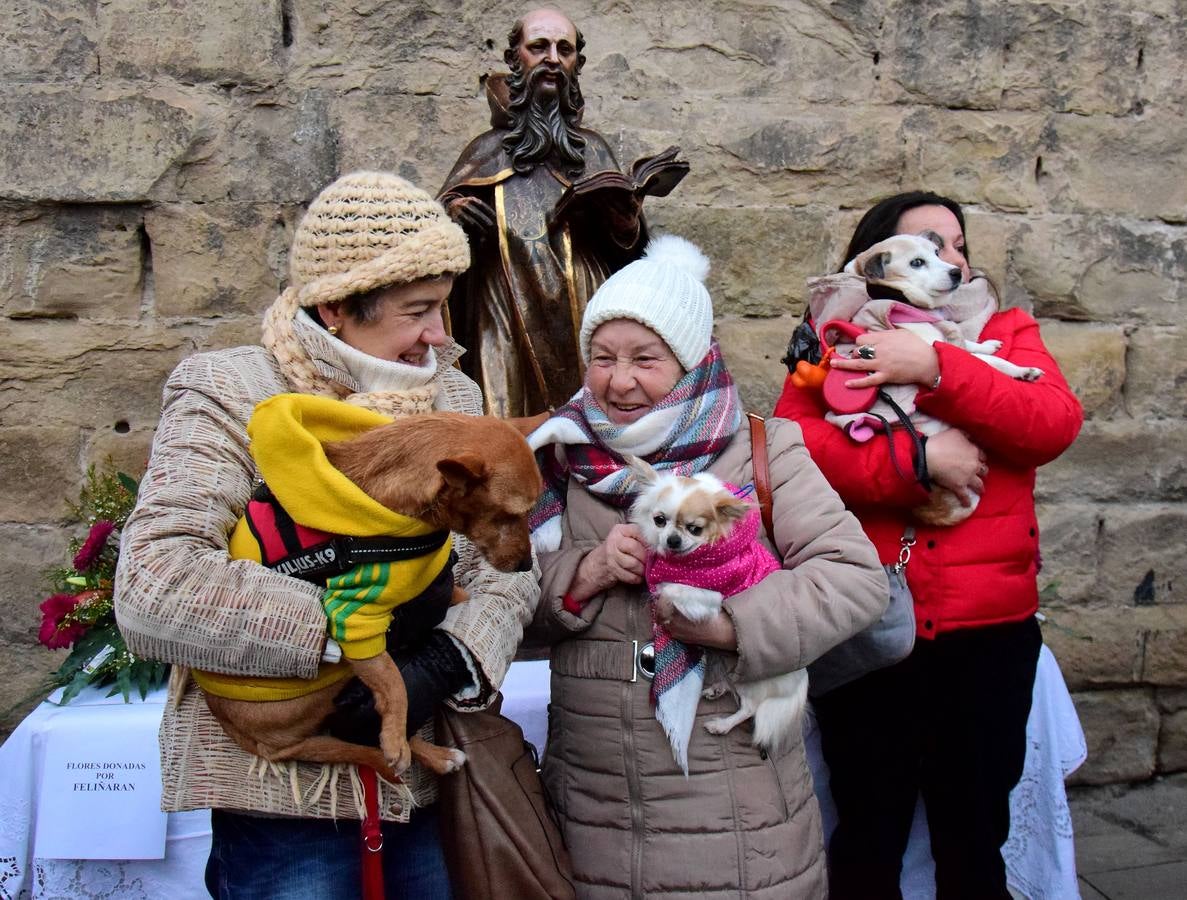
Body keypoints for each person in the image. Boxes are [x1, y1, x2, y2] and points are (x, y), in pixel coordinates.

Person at [113, 171, 538, 899]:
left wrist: (445, 657)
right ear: (338, 307)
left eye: (443, 307)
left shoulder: (456, 398)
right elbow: (156, 583)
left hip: (427, 782)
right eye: (419, 311)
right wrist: (346, 639)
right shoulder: (231, 389)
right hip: (281, 799)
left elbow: (503, 563)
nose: (440, 335)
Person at [526, 233, 888, 897]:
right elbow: (504, 604)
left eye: (645, 358)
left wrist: (732, 626)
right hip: (592, 800)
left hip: (734, 801)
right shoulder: (556, 458)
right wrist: (590, 572)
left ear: (690, 361)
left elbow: (853, 579)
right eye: (601, 358)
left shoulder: (759, 449)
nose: (619, 379)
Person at [773, 190, 1084, 899]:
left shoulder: (1004, 332)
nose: (950, 260)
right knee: (866, 835)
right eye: (927, 244)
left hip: (986, 633)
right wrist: (915, 464)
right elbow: (794, 451)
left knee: (974, 840)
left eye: (956, 243)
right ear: (878, 258)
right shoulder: (832, 338)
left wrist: (934, 370)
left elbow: (1051, 423)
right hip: (870, 626)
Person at [438, 7, 685, 418]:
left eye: (564, 49)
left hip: (584, 307)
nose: (552, 58)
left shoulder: (593, 150)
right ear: (516, 59)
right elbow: (435, 229)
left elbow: (632, 252)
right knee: (505, 420)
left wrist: (625, 222)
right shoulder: (483, 151)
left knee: (590, 422)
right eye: (539, 47)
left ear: (577, 64)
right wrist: (455, 212)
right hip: (504, 310)